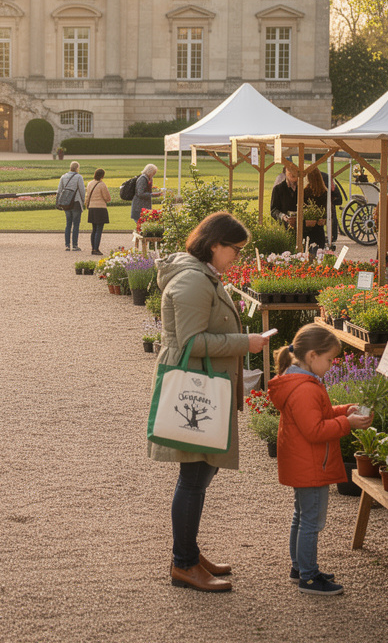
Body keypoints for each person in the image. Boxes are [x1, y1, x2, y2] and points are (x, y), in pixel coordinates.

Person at [152, 212, 270, 593]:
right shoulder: (193, 280)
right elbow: (190, 343)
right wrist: (244, 344)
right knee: (194, 477)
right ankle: (183, 563)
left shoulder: (199, 274)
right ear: (215, 244)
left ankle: (188, 552)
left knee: (201, 474)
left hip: (205, 383)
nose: (237, 257)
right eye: (235, 250)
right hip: (197, 386)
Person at [267, 324, 370, 596]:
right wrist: (347, 423)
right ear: (312, 356)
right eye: (329, 360)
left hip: (304, 462)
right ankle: (309, 578)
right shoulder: (305, 388)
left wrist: (344, 410)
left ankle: (300, 567)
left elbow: (318, 414)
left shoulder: (300, 382)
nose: (331, 365)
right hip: (311, 464)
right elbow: (315, 430)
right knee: (312, 521)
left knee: (301, 516)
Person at [57, 161, 86, 252]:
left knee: (68, 224)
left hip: (66, 203)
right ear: (77, 168)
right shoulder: (78, 177)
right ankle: (75, 245)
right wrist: (84, 201)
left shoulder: (63, 176)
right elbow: (82, 190)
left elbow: (59, 190)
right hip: (76, 202)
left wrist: (58, 202)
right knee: (76, 224)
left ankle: (67, 245)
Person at [85, 168, 110, 255]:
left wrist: (87, 204)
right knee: (99, 229)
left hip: (92, 207)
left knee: (94, 229)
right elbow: (107, 197)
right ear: (102, 175)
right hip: (100, 208)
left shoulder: (90, 183)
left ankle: (93, 248)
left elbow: (87, 196)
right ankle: (96, 249)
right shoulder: (102, 185)